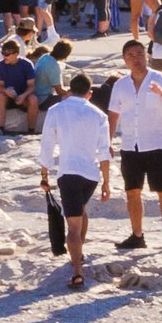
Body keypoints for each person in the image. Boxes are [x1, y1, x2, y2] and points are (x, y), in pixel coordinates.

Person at [107, 38, 162, 253]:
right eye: (130, 56)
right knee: (132, 191)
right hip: (131, 146)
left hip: (158, 144)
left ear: (146, 55)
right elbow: (113, 115)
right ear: (124, 60)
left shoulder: (161, 78)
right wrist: (108, 142)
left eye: (139, 54)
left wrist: (161, 92)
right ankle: (137, 235)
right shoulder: (120, 85)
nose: (136, 59)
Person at [38, 72, 112, 290]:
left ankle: (77, 272)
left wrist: (44, 175)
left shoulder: (56, 110)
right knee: (81, 210)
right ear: (89, 93)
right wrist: (106, 182)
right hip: (90, 175)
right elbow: (104, 152)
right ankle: (79, 253)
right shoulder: (99, 115)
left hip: (68, 172)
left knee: (72, 225)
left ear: (70, 90)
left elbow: (47, 145)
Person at [0, 38, 37, 134]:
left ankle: (31, 130)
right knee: (1, 96)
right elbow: (0, 86)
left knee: (33, 99)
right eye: (3, 53)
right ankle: (0, 128)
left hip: (24, 96)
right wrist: (6, 91)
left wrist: (23, 96)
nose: (4, 56)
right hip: (8, 96)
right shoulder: (0, 66)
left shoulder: (26, 64)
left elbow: (31, 86)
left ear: (16, 54)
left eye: (7, 54)